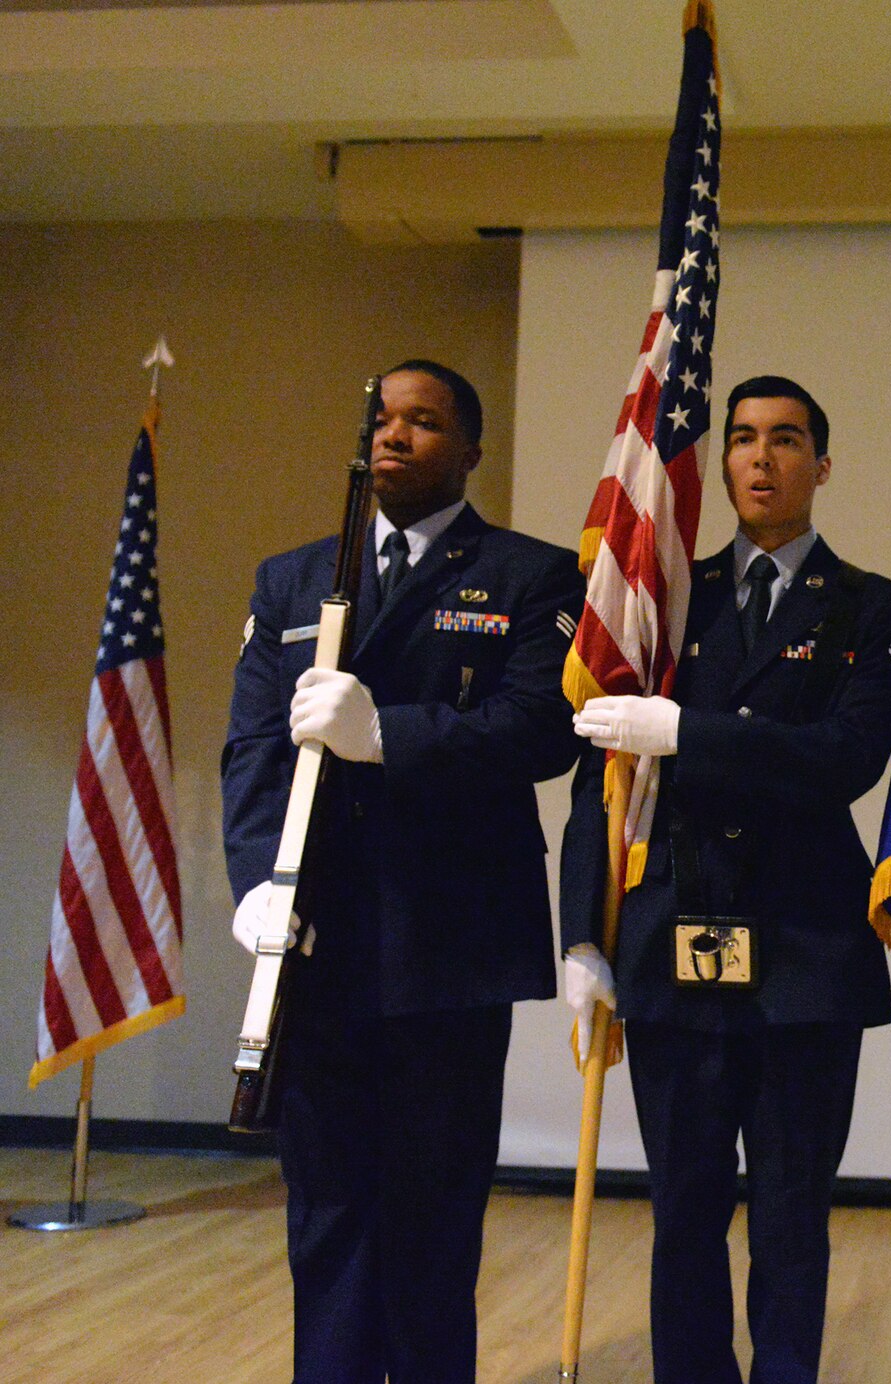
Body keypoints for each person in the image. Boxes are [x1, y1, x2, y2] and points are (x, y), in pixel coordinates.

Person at [221, 359, 585, 1382]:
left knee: (432, 1216)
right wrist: (257, 878)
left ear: (469, 449)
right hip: (320, 936)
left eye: (423, 422)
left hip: (450, 939)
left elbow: (537, 731)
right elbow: (252, 744)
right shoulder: (292, 580)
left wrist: (387, 732)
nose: (394, 435)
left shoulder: (529, 573)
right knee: (327, 1211)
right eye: (382, 418)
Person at [559, 376, 891, 1384]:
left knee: (792, 1213)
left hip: (803, 945)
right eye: (745, 439)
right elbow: (605, 774)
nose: (761, 457)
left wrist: (690, 733)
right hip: (674, 923)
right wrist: (582, 933)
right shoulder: (666, 597)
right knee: (682, 1209)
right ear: (719, 464)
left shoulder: (874, 607)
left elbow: (842, 757)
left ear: (822, 465)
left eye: (787, 438)